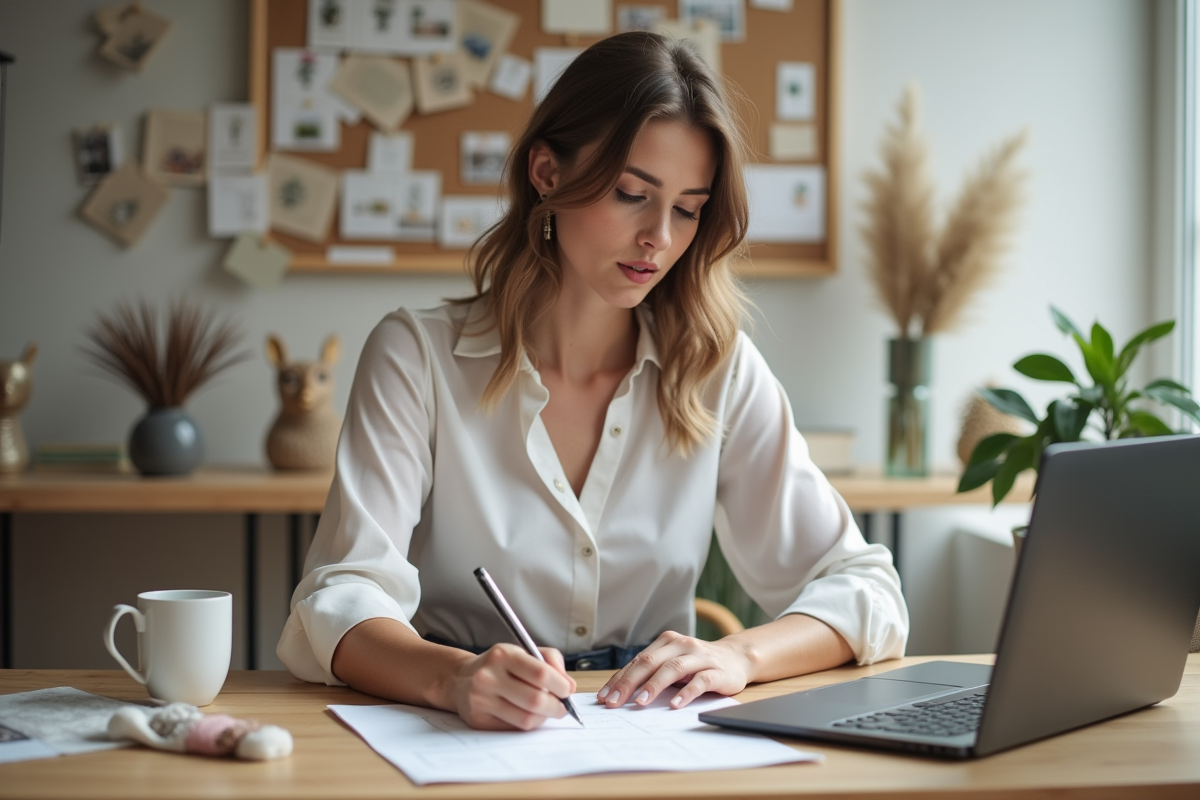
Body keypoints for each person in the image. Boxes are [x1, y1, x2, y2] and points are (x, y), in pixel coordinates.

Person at [277, 31, 908, 732]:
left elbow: (866, 590)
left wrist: (740, 657)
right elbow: (340, 594)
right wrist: (453, 678)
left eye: (688, 208)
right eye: (631, 193)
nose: (659, 239)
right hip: (459, 728)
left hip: (658, 734)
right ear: (546, 172)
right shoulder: (417, 357)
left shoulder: (715, 369)